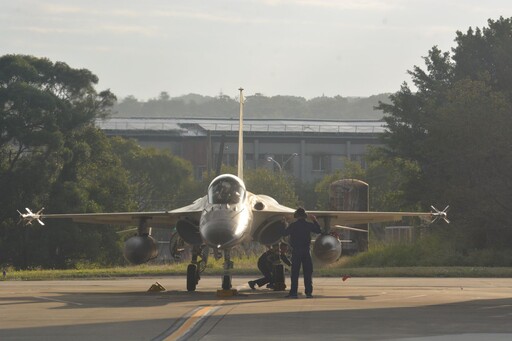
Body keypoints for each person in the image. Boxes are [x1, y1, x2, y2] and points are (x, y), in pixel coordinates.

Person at [282, 207, 321, 298]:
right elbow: (318, 230)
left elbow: (284, 233)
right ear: (305, 216)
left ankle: (293, 293)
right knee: (307, 272)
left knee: (295, 272)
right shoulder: (308, 225)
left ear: (296, 216)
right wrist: (315, 220)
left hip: (296, 251)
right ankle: (308, 292)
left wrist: (284, 223)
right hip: (306, 251)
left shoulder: (293, 225)